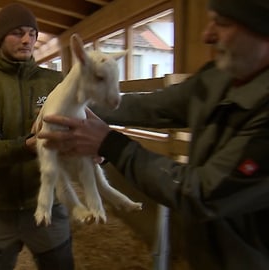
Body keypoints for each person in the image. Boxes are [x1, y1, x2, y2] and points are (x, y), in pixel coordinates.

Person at [37, 0, 269, 269]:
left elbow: (202, 193)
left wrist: (110, 144)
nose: (207, 35)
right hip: (210, 252)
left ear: (262, 30)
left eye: (224, 23)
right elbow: (153, 107)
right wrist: (62, 111)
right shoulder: (220, 78)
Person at [0, 3, 75, 270]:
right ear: (0, 37)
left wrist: (98, 149)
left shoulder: (56, 82)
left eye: (32, 33)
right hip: (4, 209)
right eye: (17, 33)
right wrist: (28, 146)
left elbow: (79, 125)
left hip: (49, 206)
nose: (27, 39)